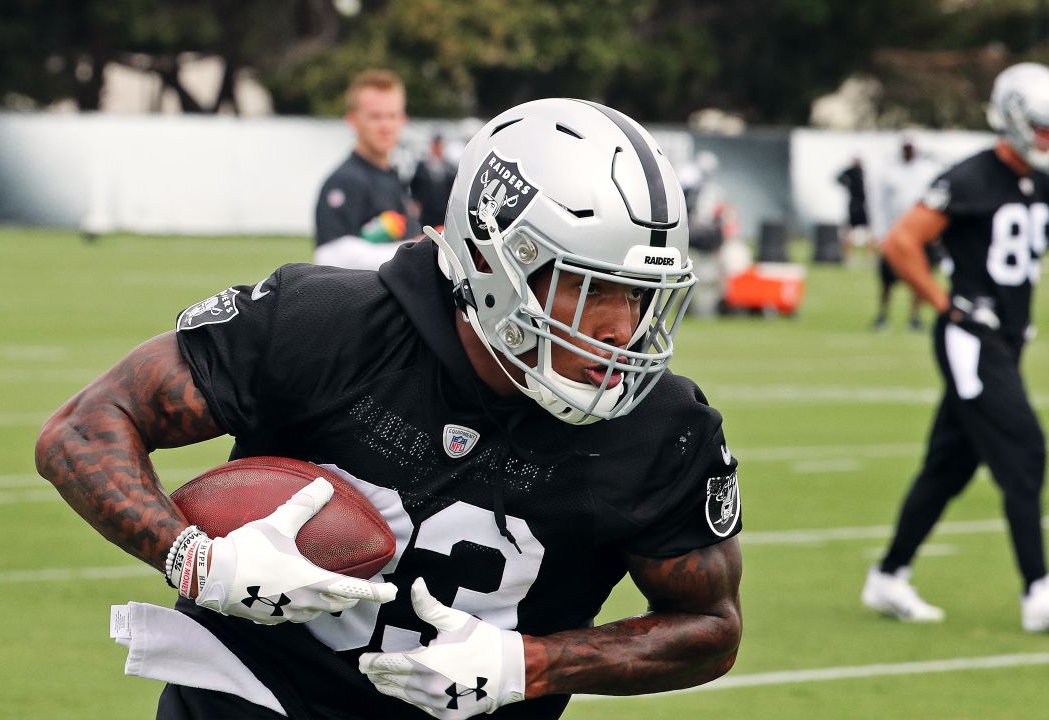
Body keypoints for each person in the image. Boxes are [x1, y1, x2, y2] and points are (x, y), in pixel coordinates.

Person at [37, 98, 743, 719]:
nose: (622, 330)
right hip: (250, 699)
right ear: (500, 260)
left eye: (641, 295)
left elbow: (709, 625)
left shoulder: (661, 428)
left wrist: (530, 665)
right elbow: (84, 427)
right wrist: (195, 559)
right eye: (590, 288)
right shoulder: (327, 327)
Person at [861, 62, 1049, 633]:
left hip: (1006, 339)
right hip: (972, 340)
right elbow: (901, 243)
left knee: (949, 466)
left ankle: (888, 577)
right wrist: (945, 306)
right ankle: (1038, 589)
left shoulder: (1039, 180)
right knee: (1024, 449)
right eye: (1041, 126)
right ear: (1014, 121)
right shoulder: (970, 176)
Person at [314, 69, 414, 270]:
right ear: (352, 120)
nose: (386, 126)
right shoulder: (344, 180)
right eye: (375, 117)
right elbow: (329, 256)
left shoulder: (393, 176)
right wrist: (415, 250)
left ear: (403, 120)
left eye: (392, 116)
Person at [869, 136, 943, 331]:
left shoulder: (927, 170)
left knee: (921, 276)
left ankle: (915, 317)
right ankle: (883, 315)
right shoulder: (889, 171)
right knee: (887, 279)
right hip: (894, 233)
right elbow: (879, 205)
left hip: (921, 234)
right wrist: (879, 233)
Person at [679, 150, 729, 318]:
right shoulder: (691, 186)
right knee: (698, 276)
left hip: (703, 239)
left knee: (704, 278)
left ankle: (700, 308)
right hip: (699, 239)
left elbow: (718, 219)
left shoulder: (711, 191)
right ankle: (694, 307)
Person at [409, 133, 457, 230]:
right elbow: (415, 185)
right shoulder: (422, 166)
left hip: (443, 210)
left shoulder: (449, 167)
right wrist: (416, 201)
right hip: (427, 210)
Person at [836, 156, 871, 265]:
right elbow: (838, 178)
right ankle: (849, 258)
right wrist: (847, 185)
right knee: (850, 231)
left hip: (864, 204)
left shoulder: (863, 172)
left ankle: (869, 258)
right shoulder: (850, 171)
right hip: (854, 204)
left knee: (868, 232)